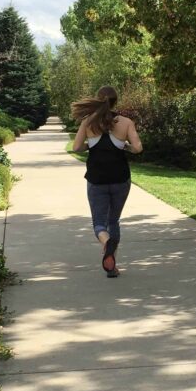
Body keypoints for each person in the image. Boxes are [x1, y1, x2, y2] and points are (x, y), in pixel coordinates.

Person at [71, 85, 143, 277]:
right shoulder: (126, 122)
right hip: (120, 179)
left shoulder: (88, 122)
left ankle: (106, 243)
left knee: (100, 224)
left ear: (98, 99)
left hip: (96, 180)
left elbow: (76, 147)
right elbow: (137, 148)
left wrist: (91, 144)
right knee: (114, 220)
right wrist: (123, 146)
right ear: (115, 101)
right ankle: (112, 266)